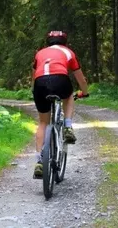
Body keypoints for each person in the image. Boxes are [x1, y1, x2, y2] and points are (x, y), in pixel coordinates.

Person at [32, 31, 89, 179]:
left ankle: (39, 161)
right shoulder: (68, 52)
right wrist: (84, 92)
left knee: (43, 123)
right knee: (68, 96)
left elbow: (34, 76)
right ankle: (68, 126)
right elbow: (80, 78)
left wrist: (36, 90)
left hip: (40, 84)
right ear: (64, 41)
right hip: (60, 80)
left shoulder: (40, 53)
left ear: (48, 41)